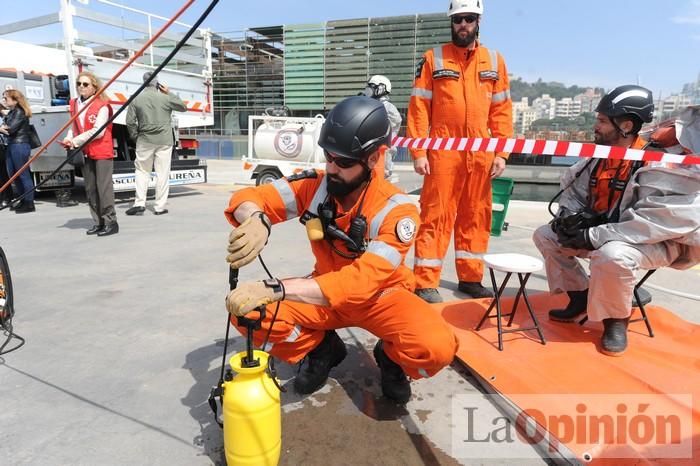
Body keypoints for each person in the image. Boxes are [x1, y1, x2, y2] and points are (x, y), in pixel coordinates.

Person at [223, 96, 458, 404]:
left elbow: (361, 282)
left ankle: (392, 360)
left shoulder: (397, 211)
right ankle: (320, 350)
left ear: (374, 158)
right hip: (324, 294)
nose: (332, 167)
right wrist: (256, 218)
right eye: (328, 156)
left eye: (344, 161)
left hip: (382, 297)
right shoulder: (315, 186)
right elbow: (249, 196)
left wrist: (278, 289)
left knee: (436, 349)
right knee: (248, 315)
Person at [532, 85, 700, 356]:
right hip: (608, 233)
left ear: (626, 125)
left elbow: (655, 222)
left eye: (601, 121)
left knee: (612, 255)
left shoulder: (658, 163)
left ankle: (615, 323)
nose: (595, 126)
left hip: (660, 242)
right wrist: (569, 220)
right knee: (546, 235)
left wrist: (592, 236)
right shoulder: (600, 157)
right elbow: (575, 193)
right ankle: (581, 297)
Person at [407, 0, 513, 303]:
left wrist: (501, 153)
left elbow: (502, 111)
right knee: (435, 216)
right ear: (451, 23)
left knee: (475, 217)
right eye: (457, 20)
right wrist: (419, 152)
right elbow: (419, 108)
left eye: (468, 19)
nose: (463, 25)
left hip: (480, 154)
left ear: (478, 21)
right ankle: (425, 281)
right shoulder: (433, 58)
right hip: (443, 153)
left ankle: (470, 277)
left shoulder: (495, 60)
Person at [61, 71, 119, 236]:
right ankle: (98, 222)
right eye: (79, 83)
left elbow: (98, 131)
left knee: (104, 188)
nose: (81, 87)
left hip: (101, 151)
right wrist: (68, 138)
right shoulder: (74, 104)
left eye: (85, 84)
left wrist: (76, 141)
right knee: (90, 189)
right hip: (85, 151)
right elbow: (74, 126)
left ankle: (111, 222)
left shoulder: (102, 105)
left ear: (94, 87)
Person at [125, 71, 186, 216]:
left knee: (142, 171)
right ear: (157, 83)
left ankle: (139, 203)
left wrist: (135, 137)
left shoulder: (136, 99)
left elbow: (130, 122)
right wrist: (169, 93)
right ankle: (159, 207)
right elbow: (183, 107)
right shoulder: (165, 98)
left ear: (144, 83)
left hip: (144, 140)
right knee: (162, 173)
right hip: (164, 140)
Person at [0, 89, 36, 214]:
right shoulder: (12, 112)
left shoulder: (20, 112)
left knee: (23, 174)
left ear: (15, 100)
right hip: (12, 144)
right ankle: (22, 199)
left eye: (6, 98)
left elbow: (10, 129)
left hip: (19, 145)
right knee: (14, 174)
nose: (4, 100)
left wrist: (3, 128)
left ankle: (29, 202)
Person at [360, 75, 402, 178]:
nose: (368, 89)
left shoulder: (388, 107)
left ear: (381, 88)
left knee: (380, 177)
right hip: (369, 150)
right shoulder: (369, 104)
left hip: (383, 154)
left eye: (372, 86)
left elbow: (394, 122)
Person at [0, 103, 12, 208]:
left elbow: (6, 129)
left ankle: (6, 197)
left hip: (1, 146)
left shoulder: (3, 116)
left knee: (3, 174)